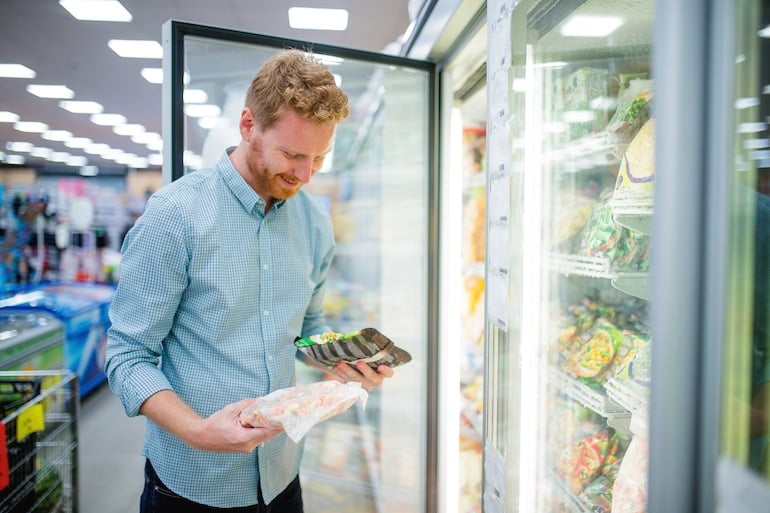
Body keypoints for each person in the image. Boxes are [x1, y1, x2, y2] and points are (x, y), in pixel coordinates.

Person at [104, 49, 395, 513]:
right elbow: (126, 356)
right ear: (247, 125)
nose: (304, 174)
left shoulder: (314, 225)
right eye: (293, 154)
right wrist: (199, 431)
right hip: (191, 484)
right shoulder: (175, 217)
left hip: (282, 477)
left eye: (319, 159)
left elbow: (307, 330)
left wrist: (342, 363)